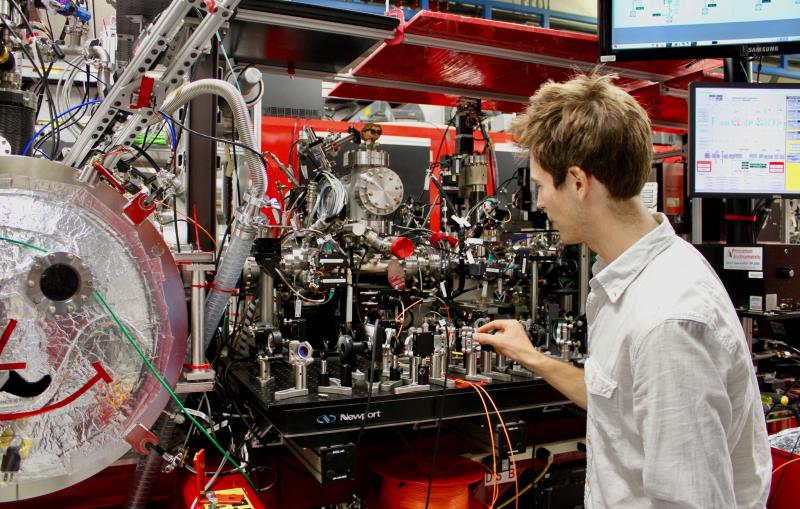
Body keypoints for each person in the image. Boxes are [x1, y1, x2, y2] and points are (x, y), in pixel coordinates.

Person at [472, 73, 771, 508]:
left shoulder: (666, 320)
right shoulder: (629, 276)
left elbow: (692, 501)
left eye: (540, 185)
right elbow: (620, 406)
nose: (539, 203)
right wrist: (533, 358)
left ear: (577, 182)